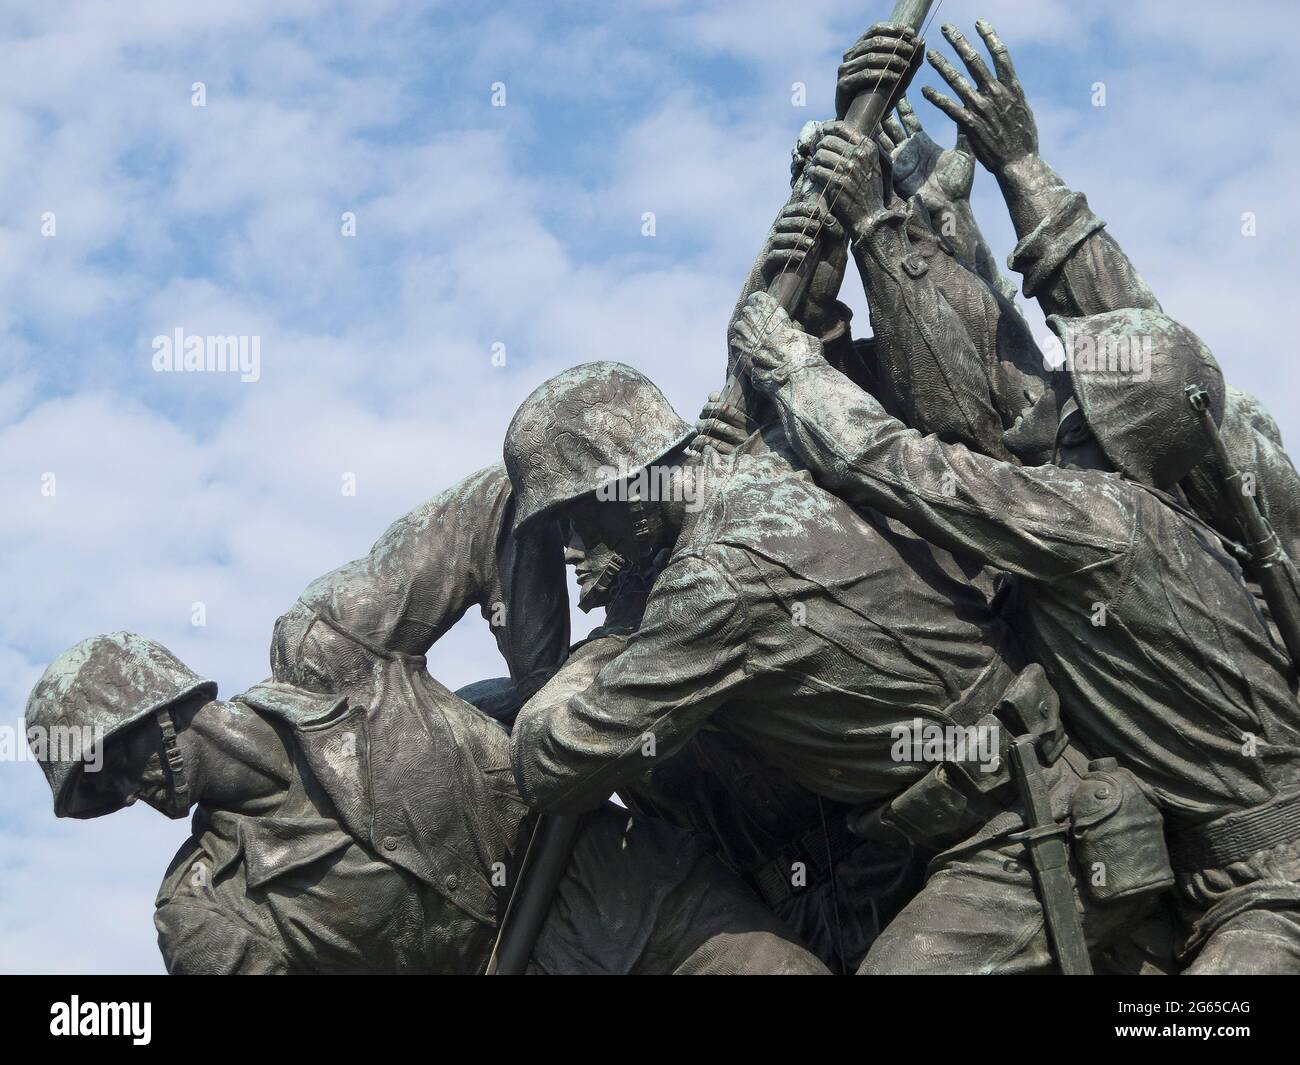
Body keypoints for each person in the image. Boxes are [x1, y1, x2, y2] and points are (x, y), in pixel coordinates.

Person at [504, 360, 1161, 974]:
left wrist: (618, 630)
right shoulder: (774, 461)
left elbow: (553, 763)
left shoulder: (710, 583)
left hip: (1025, 831)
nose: (576, 549)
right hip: (963, 821)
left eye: (576, 519)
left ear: (624, 488)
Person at [24, 631, 828, 974]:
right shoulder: (201, 910)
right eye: (103, 789)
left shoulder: (331, 648)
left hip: (637, 894)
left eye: (114, 754)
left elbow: (494, 516)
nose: (128, 786)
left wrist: (547, 691)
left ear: (156, 694)